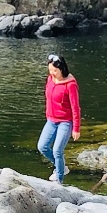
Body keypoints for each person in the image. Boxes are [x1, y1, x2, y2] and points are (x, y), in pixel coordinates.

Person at [37, 54, 81, 183]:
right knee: (42, 146)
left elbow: (75, 107)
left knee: (57, 150)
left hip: (65, 122)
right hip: (51, 120)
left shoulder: (70, 85)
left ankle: (59, 180)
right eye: (50, 70)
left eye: (55, 70)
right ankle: (61, 167)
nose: (52, 73)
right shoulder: (50, 79)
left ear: (62, 69)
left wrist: (76, 128)